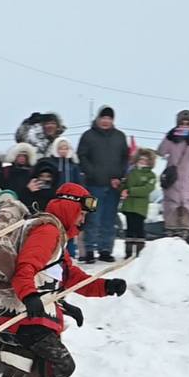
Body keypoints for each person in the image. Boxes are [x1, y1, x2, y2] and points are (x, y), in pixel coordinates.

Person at [0, 183, 126, 377]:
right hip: (28, 317)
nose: (84, 219)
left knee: (48, 372)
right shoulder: (48, 231)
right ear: (71, 207)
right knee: (60, 367)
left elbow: (71, 278)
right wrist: (30, 296)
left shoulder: (57, 236)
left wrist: (106, 287)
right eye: (83, 212)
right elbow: (26, 267)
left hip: (37, 316)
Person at [77, 106, 128, 262]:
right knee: (92, 218)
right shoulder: (88, 136)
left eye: (109, 118)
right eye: (103, 118)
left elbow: (125, 158)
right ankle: (89, 250)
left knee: (109, 219)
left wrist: (119, 176)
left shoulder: (120, 137)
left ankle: (105, 249)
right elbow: (82, 156)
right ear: (98, 119)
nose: (106, 121)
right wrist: (92, 173)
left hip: (113, 187)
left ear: (112, 120)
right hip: (92, 186)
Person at [157, 110, 189, 242]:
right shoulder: (172, 138)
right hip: (173, 183)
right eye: (182, 123)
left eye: (187, 123)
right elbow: (161, 152)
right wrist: (168, 137)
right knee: (171, 220)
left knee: (187, 220)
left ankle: (186, 245)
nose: (184, 125)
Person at [121, 149, 157, 257]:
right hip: (129, 205)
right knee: (130, 228)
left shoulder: (151, 175)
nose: (143, 161)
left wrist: (131, 191)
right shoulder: (130, 172)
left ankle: (139, 251)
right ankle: (128, 251)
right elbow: (125, 185)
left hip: (140, 206)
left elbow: (147, 189)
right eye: (141, 159)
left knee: (139, 228)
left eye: (146, 160)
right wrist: (121, 187)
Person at [0, 142, 39, 209]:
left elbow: (36, 193)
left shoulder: (33, 172)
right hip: (9, 207)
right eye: (19, 156)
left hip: (28, 208)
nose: (22, 158)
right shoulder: (6, 171)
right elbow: (0, 191)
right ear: (14, 156)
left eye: (25, 156)